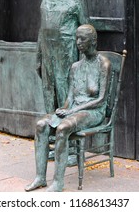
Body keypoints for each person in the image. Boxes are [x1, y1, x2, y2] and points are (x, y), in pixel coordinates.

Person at [25, 24, 111, 192]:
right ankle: (40, 178)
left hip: (94, 111)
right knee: (41, 125)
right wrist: (64, 109)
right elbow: (70, 97)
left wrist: (71, 112)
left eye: (82, 39)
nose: (78, 42)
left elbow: (101, 99)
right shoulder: (75, 67)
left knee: (63, 127)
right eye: (77, 38)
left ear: (93, 41)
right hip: (75, 110)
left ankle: (58, 182)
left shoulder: (104, 64)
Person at [37, 0, 88, 113]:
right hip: (47, 51)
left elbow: (85, 27)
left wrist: (84, 60)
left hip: (67, 51)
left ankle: (67, 131)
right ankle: (50, 129)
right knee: (48, 88)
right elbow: (42, 26)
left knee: (65, 88)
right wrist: (38, 55)